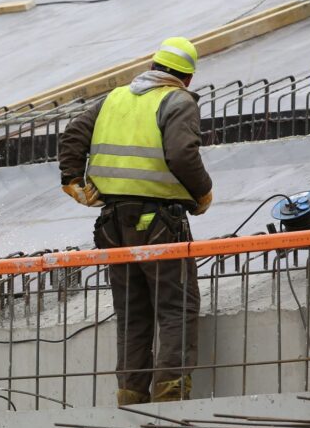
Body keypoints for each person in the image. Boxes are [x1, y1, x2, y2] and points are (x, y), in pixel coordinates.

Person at [58, 37, 212, 405]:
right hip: (160, 221)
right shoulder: (178, 100)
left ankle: (130, 395)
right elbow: (181, 153)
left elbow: (73, 134)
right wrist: (202, 192)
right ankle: (170, 394)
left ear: (153, 66)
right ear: (186, 78)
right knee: (176, 308)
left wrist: (72, 180)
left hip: (112, 224)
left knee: (132, 312)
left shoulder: (115, 98)